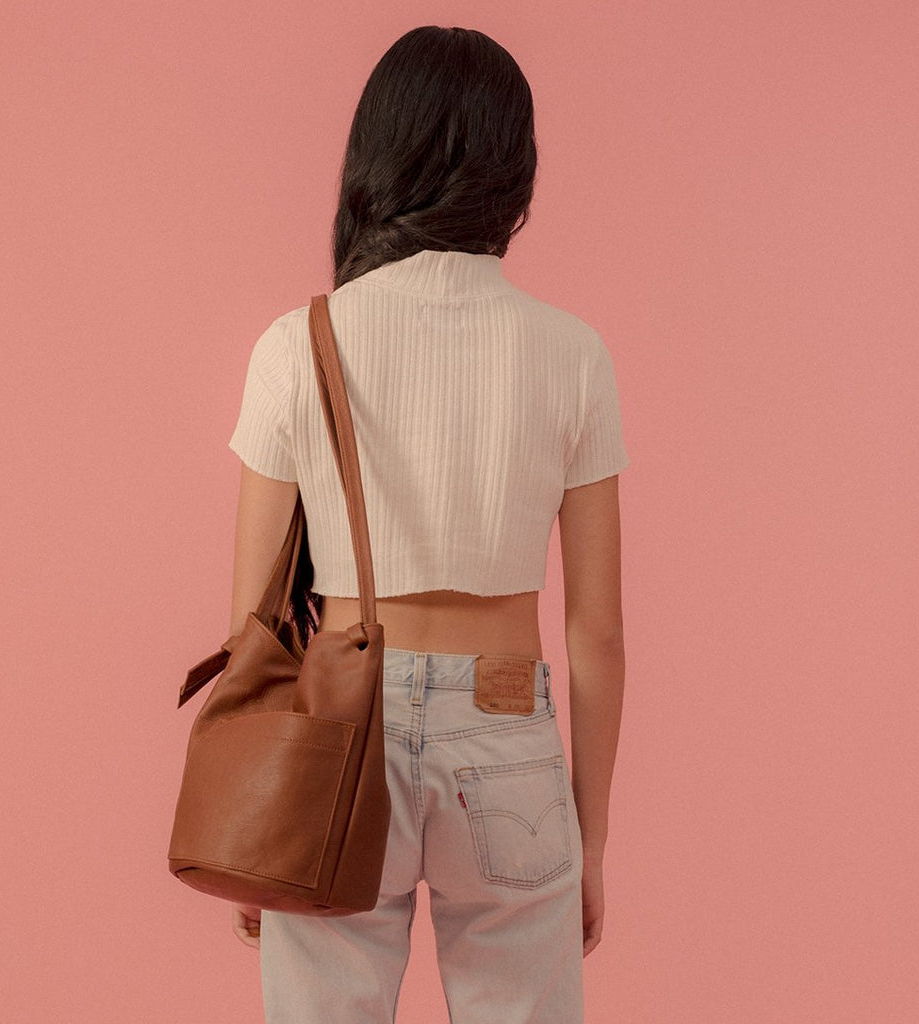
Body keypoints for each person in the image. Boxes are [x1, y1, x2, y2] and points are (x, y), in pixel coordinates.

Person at [225, 25, 629, 1024]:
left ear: (375, 154)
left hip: (338, 734)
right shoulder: (572, 355)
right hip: (506, 730)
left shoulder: (295, 345)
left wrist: (255, 816)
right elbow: (596, 631)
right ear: (514, 170)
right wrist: (591, 836)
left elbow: (257, 620)